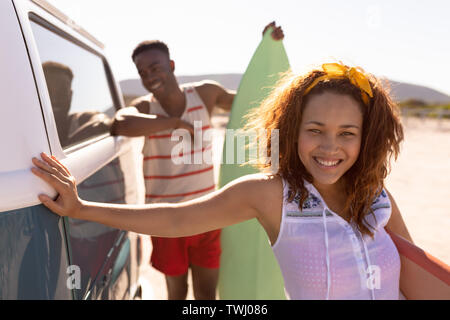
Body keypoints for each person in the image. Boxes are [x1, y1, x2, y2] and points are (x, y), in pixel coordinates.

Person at [31, 61, 414, 300]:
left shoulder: (378, 197)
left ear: (367, 138)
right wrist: (82, 208)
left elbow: (418, 273)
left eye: (348, 132)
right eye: (316, 130)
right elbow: (177, 219)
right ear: (293, 130)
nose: (330, 147)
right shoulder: (269, 195)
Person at [108, 22, 284, 300]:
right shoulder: (145, 107)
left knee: (206, 295)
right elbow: (119, 124)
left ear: (172, 65)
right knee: (176, 294)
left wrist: (269, 53)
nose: (149, 76)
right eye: (142, 73)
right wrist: (174, 122)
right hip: (165, 219)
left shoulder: (205, 94)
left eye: (155, 68)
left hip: (207, 214)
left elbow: (252, 102)